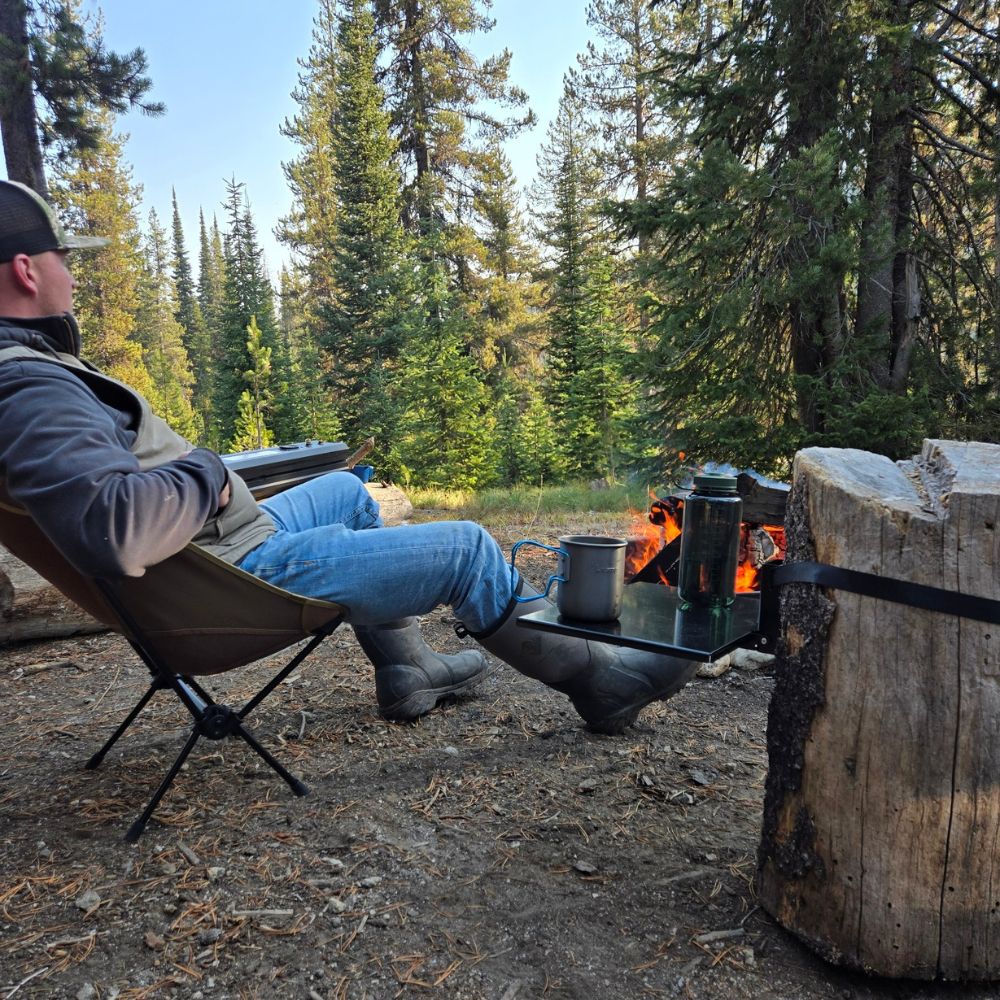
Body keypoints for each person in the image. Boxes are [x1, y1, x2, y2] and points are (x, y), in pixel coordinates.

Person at [0, 179, 698, 734]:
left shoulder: (26, 370)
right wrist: (208, 470)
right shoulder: (28, 386)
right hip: (235, 577)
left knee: (348, 493)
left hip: (223, 549)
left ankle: (407, 671)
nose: (74, 271)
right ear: (27, 270)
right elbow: (113, 530)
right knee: (468, 551)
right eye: (66, 257)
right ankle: (601, 685)